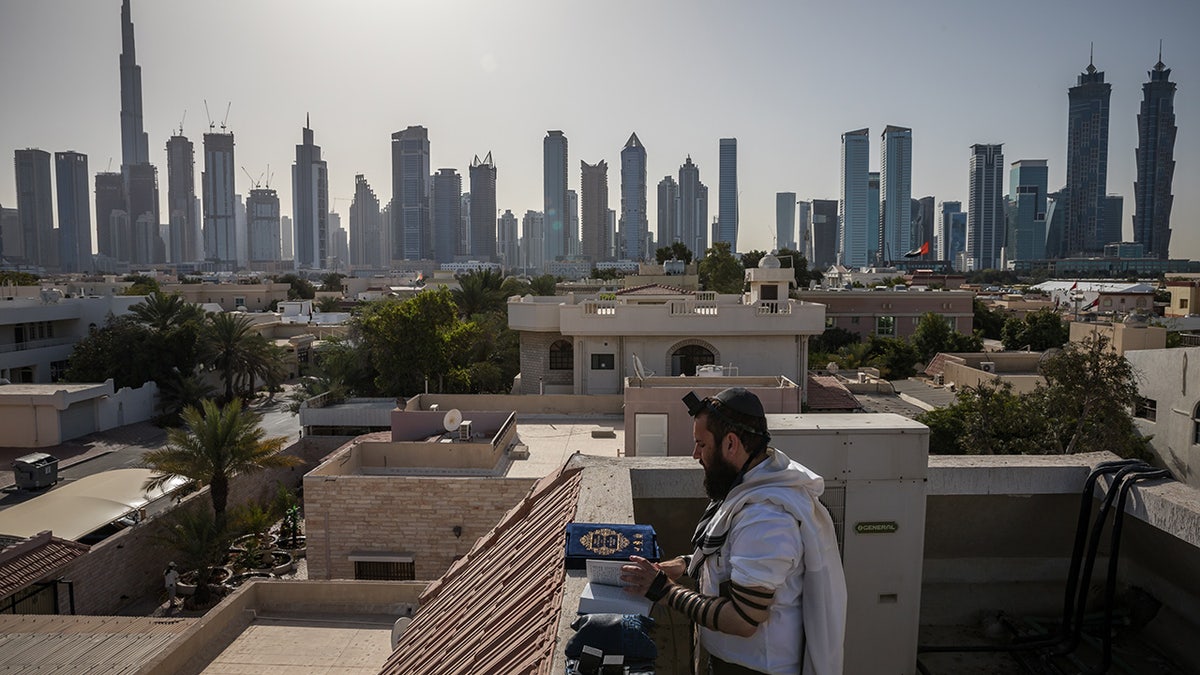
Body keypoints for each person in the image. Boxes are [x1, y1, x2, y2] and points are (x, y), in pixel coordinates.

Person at [621, 387, 847, 675]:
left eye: (701, 444)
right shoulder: (752, 486)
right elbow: (732, 560)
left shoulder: (766, 520)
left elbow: (743, 619)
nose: (695, 455)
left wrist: (663, 590)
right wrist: (685, 564)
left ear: (730, 443)